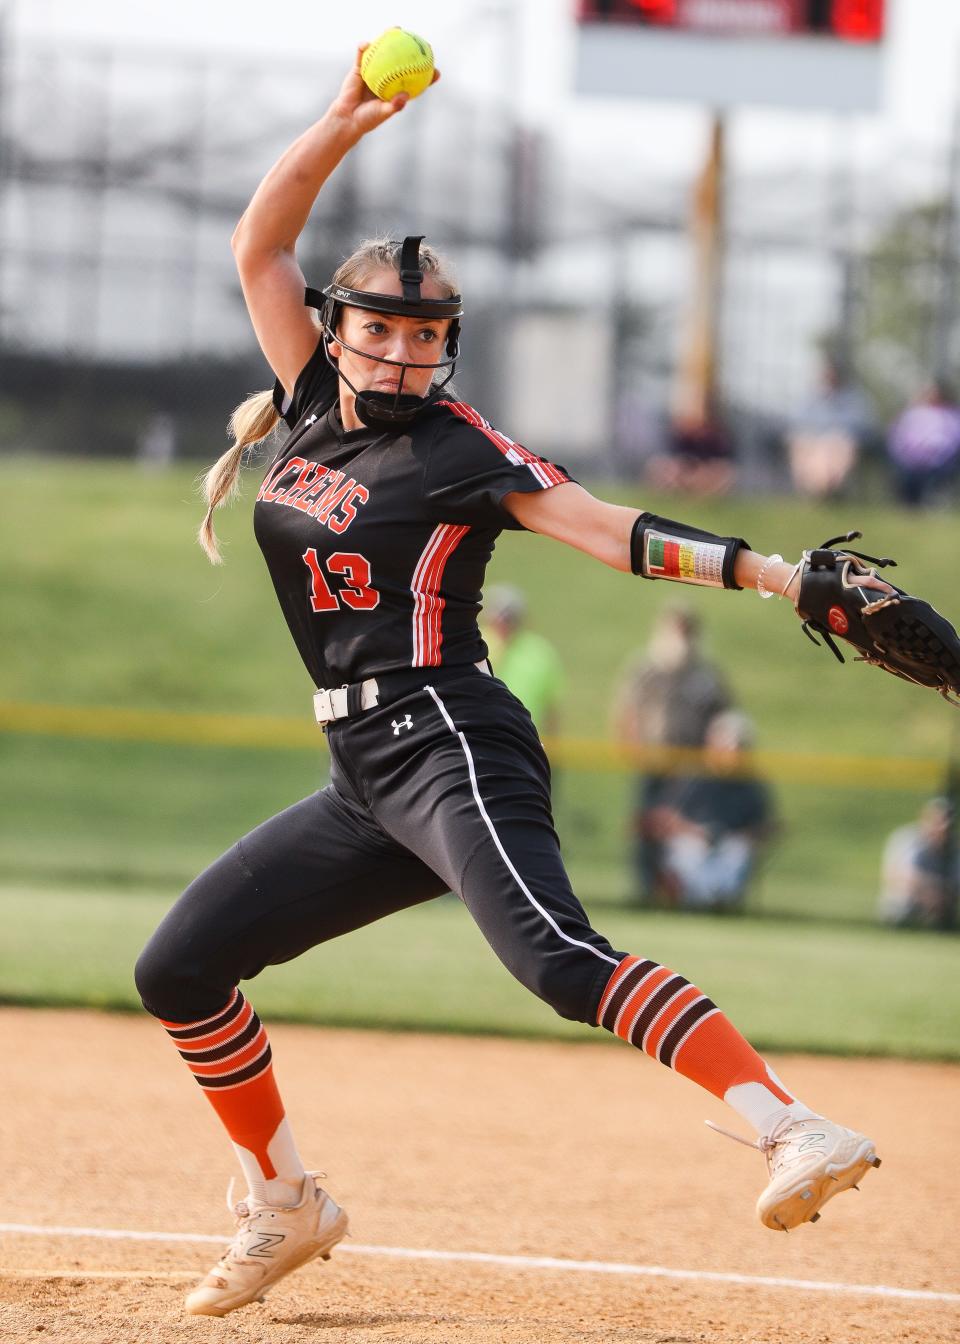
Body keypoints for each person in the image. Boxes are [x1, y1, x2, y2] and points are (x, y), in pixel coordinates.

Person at [133, 48, 883, 1319]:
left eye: (425, 335)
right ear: (337, 330)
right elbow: (261, 243)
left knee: (553, 959)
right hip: (363, 776)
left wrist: (768, 574)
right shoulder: (311, 398)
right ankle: (286, 1203)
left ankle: (789, 1126)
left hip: (451, 743)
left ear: (448, 350)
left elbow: (606, 530)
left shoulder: (461, 449)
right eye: (377, 326)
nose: (400, 350)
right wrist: (340, 120)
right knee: (180, 972)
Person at [613, 605, 732, 902]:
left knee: (682, 832)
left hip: (691, 769)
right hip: (652, 763)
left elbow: (722, 719)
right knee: (647, 826)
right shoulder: (645, 669)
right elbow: (626, 712)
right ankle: (644, 890)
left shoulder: (706, 675)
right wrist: (634, 750)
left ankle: (680, 894)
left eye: (686, 631)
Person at [646, 710, 775, 912]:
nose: (735, 753)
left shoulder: (750, 785)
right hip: (693, 839)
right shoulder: (692, 775)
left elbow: (763, 825)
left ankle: (718, 905)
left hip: (728, 842)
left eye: (740, 747)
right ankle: (693, 904)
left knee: (736, 851)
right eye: (731, 746)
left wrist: (742, 836)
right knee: (691, 851)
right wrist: (694, 831)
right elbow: (663, 816)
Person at [785, 357, 874, 500]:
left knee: (834, 445)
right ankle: (818, 487)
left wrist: (832, 436)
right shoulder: (809, 399)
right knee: (804, 444)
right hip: (812, 444)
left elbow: (863, 427)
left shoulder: (854, 400)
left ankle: (826, 487)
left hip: (838, 445)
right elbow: (797, 424)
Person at [483, 584, 564, 735]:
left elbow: (551, 707)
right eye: (499, 616)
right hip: (481, 733)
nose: (503, 622)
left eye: (509, 617)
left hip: (525, 735)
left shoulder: (540, 652)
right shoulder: (477, 643)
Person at [877, 796, 958, 928]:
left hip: (941, 905)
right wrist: (931, 891)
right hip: (906, 903)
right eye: (938, 820)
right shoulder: (906, 839)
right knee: (903, 902)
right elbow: (898, 875)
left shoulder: (954, 848)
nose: (943, 826)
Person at [887, 378, 960, 508]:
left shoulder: (952, 414)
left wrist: (937, 455)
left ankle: (930, 503)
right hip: (909, 461)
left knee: (932, 479)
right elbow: (897, 437)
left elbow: (954, 440)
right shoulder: (912, 414)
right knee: (908, 480)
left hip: (941, 461)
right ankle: (909, 506)